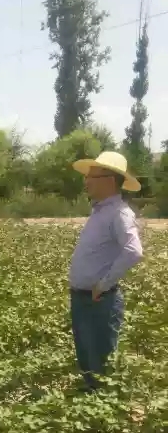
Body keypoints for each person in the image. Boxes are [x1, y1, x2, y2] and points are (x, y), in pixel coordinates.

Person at [69, 151, 143, 391]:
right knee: (87, 359)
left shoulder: (119, 213)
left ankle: (102, 414)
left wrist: (104, 283)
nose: (86, 181)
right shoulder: (99, 211)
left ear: (110, 180)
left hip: (99, 300)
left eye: (92, 175)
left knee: (101, 362)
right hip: (83, 297)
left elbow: (133, 251)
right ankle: (89, 407)